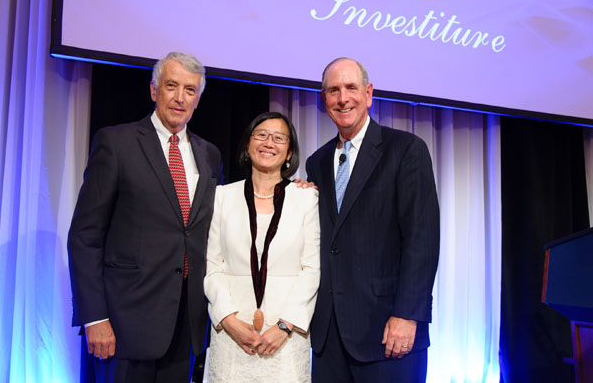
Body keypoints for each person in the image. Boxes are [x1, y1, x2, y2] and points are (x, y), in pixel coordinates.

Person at [67, 52, 223, 383]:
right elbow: (85, 236)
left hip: (185, 324)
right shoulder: (116, 143)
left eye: (190, 90)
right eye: (171, 86)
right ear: (154, 90)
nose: (180, 98)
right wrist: (95, 318)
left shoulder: (209, 154)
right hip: (124, 325)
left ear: (198, 99)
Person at [306, 58, 440, 383]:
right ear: (324, 99)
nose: (343, 98)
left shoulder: (406, 149)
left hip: (388, 332)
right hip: (329, 337)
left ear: (368, 94)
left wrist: (407, 315)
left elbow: (421, 239)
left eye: (351, 88)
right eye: (333, 90)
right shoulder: (317, 162)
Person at [203, 112, 320, 383]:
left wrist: (284, 326)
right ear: (247, 144)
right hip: (231, 334)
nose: (269, 142)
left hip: (286, 337)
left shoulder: (305, 198)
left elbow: (312, 269)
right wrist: (228, 320)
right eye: (262, 135)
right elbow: (212, 266)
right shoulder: (222, 196)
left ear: (289, 152)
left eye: (279, 138)